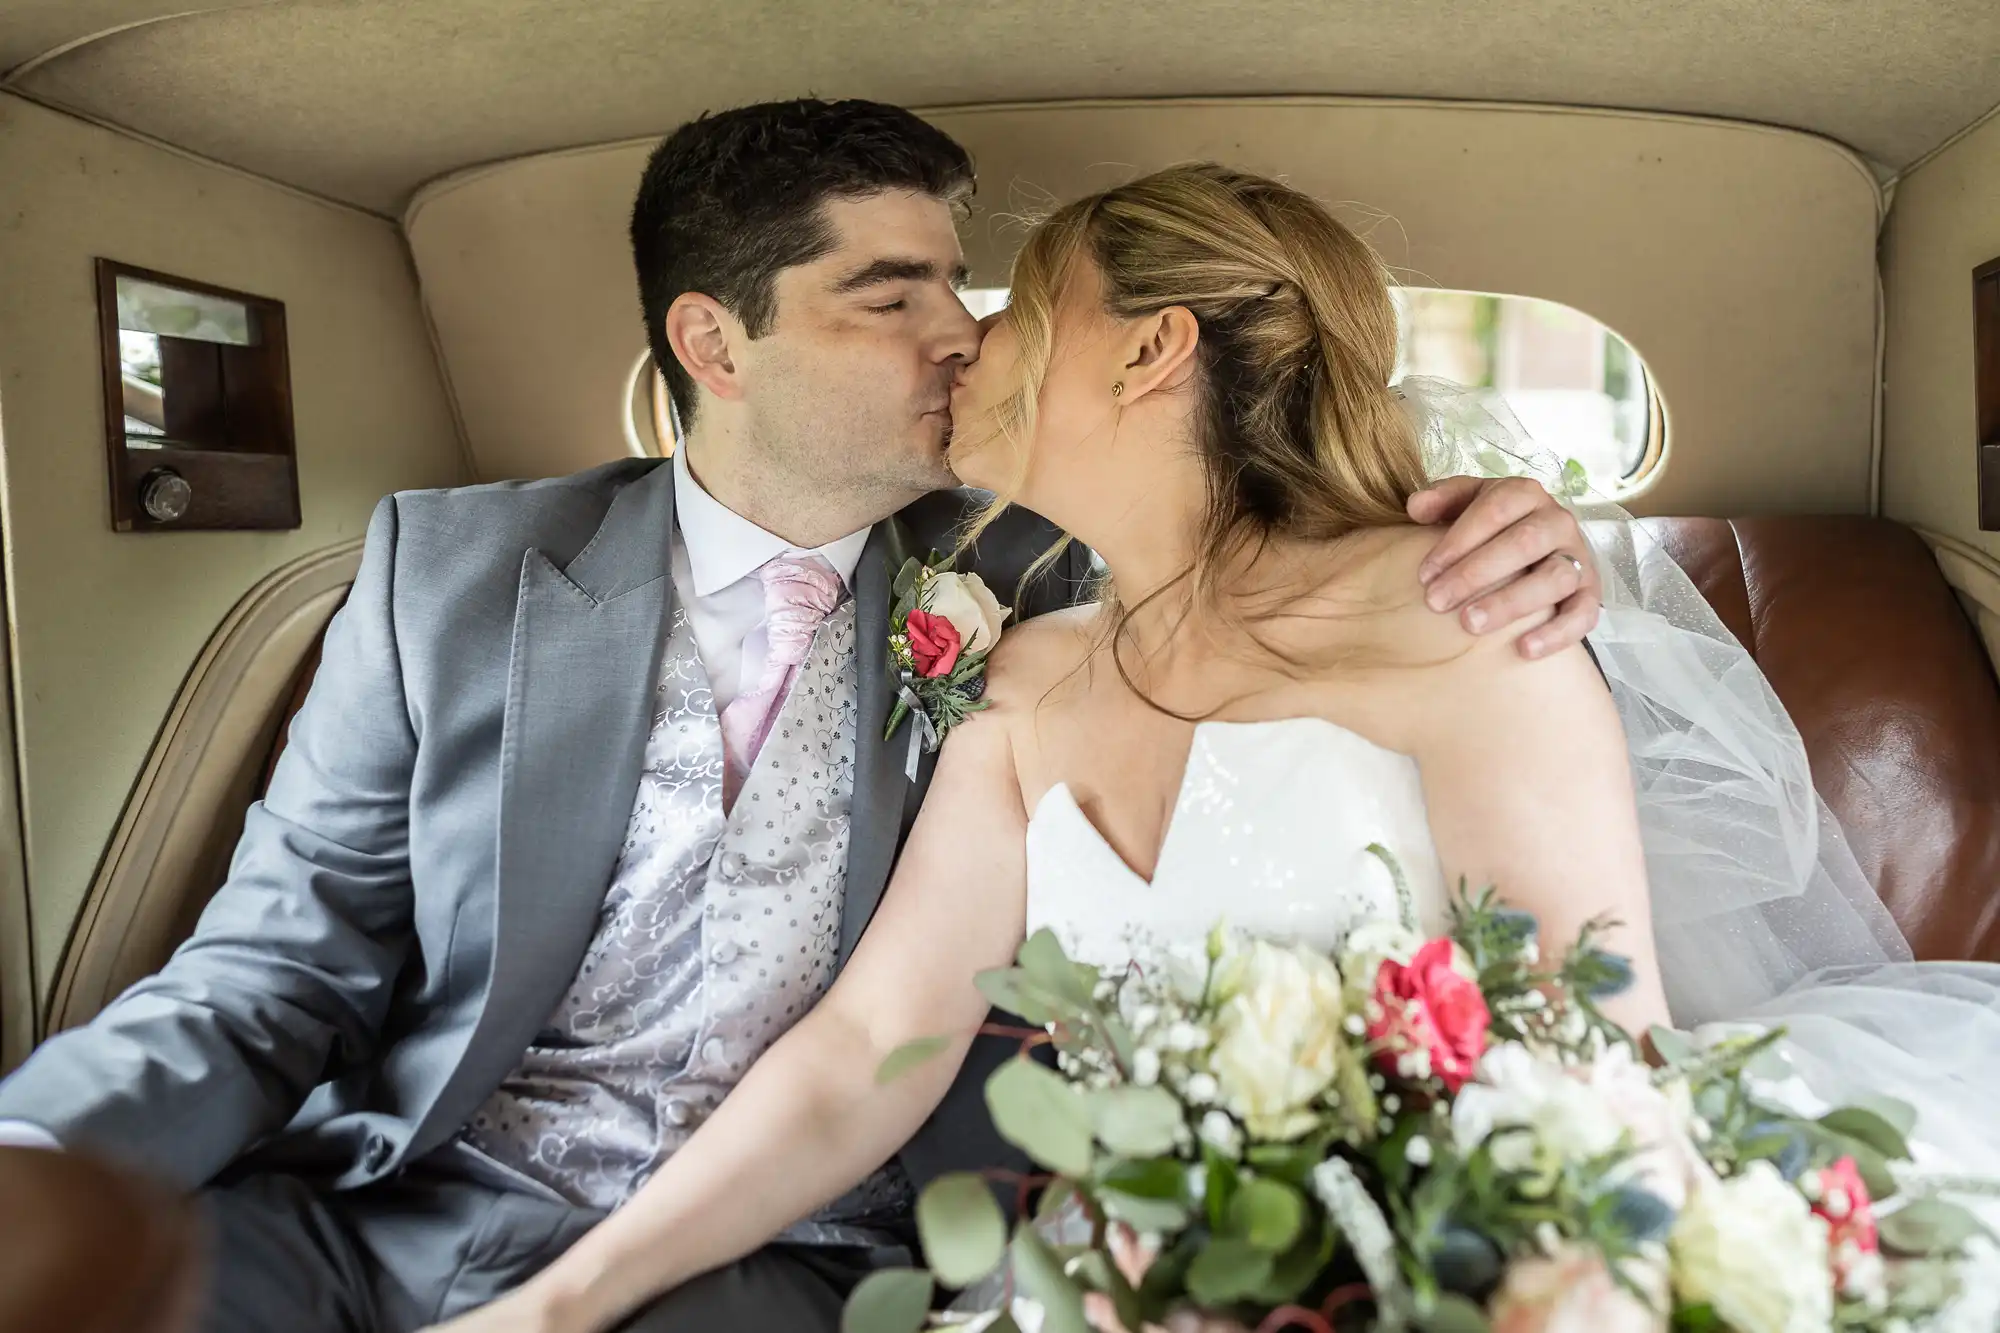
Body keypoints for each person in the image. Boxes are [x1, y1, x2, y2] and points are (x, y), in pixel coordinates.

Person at [0, 107, 1600, 1333]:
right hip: (400, 1204)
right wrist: (32, 1151)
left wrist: (1509, 533)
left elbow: (1283, 567)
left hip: (794, 1247)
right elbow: (269, 976)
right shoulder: (449, 571)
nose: (964, 342)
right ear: (714, 343)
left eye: (972, 299)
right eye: (889, 300)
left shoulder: (1049, 584)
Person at [431, 162, 2000, 1333]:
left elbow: (1593, 1077)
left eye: (1018, 305)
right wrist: (562, 1308)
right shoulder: (1029, 676)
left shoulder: (1457, 617)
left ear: (1147, 353)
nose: (964, 346)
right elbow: (865, 1057)